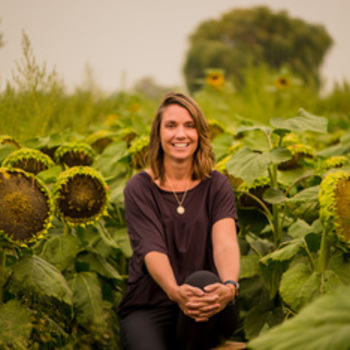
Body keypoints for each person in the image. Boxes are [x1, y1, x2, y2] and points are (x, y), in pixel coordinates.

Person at [118, 92, 241, 350]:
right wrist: (175, 292)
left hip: (210, 302)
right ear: (158, 134)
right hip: (152, 305)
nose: (181, 134)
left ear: (200, 134)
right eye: (171, 126)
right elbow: (152, 250)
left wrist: (229, 287)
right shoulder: (140, 188)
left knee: (202, 282)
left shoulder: (216, 185)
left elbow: (225, 244)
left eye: (189, 125)